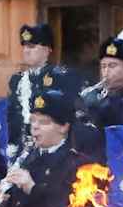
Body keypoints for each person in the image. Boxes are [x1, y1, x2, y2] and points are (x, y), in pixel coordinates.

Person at [6, 23, 80, 159]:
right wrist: (12, 144)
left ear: (47, 49)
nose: (26, 51)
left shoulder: (61, 76)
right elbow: (13, 117)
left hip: (53, 150)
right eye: (24, 46)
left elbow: (70, 116)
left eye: (32, 47)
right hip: (22, 150)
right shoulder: (17, 80)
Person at [75, 38, 123, 161]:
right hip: (94, 163)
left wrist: (101, 110)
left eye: (112, 66)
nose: (106, 72)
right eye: (103, 66)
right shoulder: (97, 96)